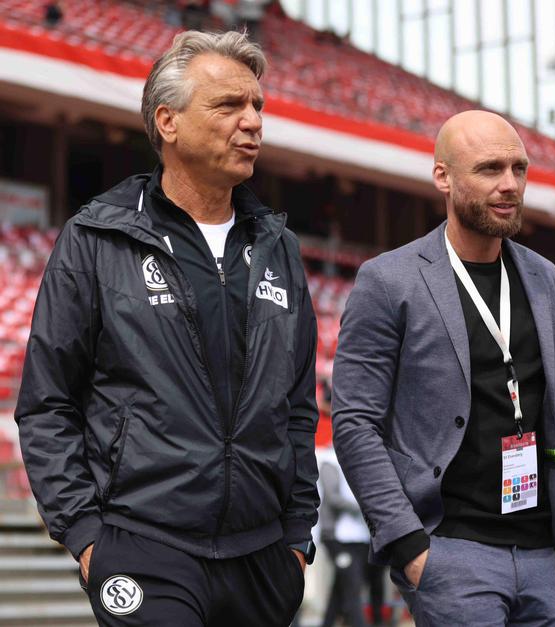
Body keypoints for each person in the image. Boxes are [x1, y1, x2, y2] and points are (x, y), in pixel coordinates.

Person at [15, 30, 319, 627]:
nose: (253, 122)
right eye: (228, 105)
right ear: (168, 121)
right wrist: (86, 536)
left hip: (263, 558)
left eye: (257, 105)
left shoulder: (278, 246)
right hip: (143, 546)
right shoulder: (96, 239)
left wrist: (295, 539)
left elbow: (298, 407)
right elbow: (48, 403)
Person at [332, 110, 555, 626]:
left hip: (540, 555)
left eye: (519, 168)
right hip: (450, 552)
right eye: (490, 169)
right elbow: (355, 423)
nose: (510, 184)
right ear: (443, 177)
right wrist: (408, 545)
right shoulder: (389, 281)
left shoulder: (543, 278)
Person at [318, 446, 369, 627]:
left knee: (340, 588)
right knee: (352, 586)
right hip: (336, 538)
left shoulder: (362, 458)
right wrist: (364, 506)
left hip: (360, 538)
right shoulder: (330, 460)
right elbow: (333, 498)